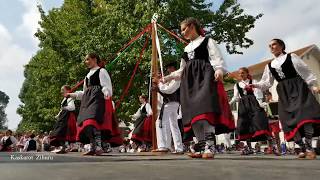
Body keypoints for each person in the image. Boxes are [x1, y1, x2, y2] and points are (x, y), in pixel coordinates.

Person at [163, 17, 235, 159]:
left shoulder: (207, 41)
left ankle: (209, 146)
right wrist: (169, 77)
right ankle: (202, 147)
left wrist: (219, 70)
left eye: (184, 29)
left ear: (192, 26)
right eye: (181, 30)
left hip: (205, 79)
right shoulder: (186, 49)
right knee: (194, 115)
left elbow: (216, 58)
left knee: (205, 112)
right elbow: (182, 69)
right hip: (189, 84)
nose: (182, 32)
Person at [252, 38, 320, 159]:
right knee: (288, 120)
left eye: (274, 44)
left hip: (299, 88)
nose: (271, 47)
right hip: (284, 93)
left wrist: (313, 86)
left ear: (281, 46)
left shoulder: (291, 57)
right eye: (269, 46)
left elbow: (306, 72)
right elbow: (267, 83)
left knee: (305, 115)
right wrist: (255, 85)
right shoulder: (269, 65)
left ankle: (309, 147)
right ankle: (301, 147)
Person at [68, 53, 122, 156]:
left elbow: (106, 86)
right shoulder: (87, 75)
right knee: (84, 123)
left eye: (87, 59)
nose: (86, 62)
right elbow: (84, 92)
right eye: (85, 60)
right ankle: (93, 146)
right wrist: (73, 95)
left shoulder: (101, 71)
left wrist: (106, 93)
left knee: (92, 122)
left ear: (95, 59)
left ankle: (98, 146)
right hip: (87, 101)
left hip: (97, 99)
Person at [229, 67, 273, 155]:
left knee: (259, 122)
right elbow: (236, 97)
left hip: (253, 103)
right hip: (243, 106)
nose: (241, 74)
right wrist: (229, 103)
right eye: (239, 73)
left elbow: (258, 93)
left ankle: (271, 147)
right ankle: (249, 148)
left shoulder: (254, 81)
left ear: (247, 73)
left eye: (243, 73)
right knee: (244, 125)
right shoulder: (237, 85)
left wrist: (260, 103)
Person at [153, 63, 184, 154]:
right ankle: (178, 148)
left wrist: (159, 84)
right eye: (167, 68)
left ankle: (162, 146)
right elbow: (166, 91)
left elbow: (168, 90)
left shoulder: (177, 78)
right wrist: (158, 88)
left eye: (170, 68)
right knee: (173, 125)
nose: (168, 70)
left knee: (160, 122)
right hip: (173, 103)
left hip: (170, 103)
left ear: (174, 68)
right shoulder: (172, 79)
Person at [50, 85, 77, 154]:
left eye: (63, 90)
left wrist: (65, 108)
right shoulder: (64, 99)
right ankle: (64, 147)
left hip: (67, 117)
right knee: (59, 132)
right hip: (63, 117)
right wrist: (58, 115)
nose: (61, 91)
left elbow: (72, 107)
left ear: (68, 91)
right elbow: (62, 109)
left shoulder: (69, 98)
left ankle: (67, 147)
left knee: (61, 132)